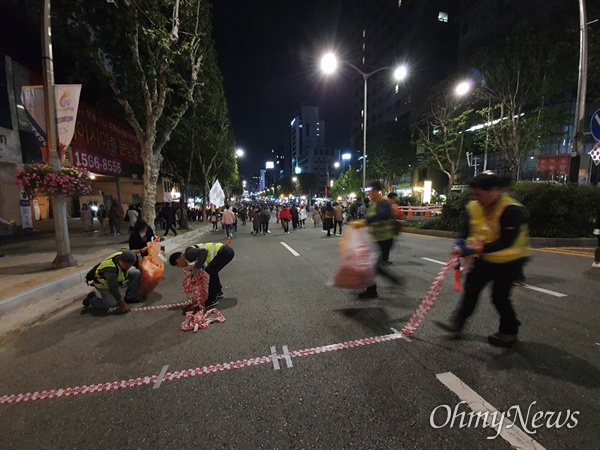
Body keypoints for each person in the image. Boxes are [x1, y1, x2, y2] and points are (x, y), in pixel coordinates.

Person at [435, 171, 531, 348]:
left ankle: (509, 332)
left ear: (494, 190)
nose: (476, 198)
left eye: (479, 194)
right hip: (484, 259)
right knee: (471, 291)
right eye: (474, 194)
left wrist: (477, 248)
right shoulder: (473, 206)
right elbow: (466, 229)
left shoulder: (511, 209)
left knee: (499, 298)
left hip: (508, 262)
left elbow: (506, 241)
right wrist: (460, 242)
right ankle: (457, 323)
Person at [350, 180, 398, 299]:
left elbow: (383, 214)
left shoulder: (384, 202)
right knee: (370, 265)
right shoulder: (373, 203)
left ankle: (388, 282)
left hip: (385, 238)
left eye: (372, 190)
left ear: (378, 191)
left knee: (371, 265)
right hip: (375, 238)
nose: (370, 193)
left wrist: (366, 221)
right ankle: (372, 289)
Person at [169, 242, 235, 309]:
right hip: (225, 252)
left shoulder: (188, 253)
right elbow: (202, 261)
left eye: (177, 264)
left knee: (209, 273)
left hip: (224, 253)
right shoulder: (190, 258)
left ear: (178, 259)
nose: (179, 266)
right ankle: (218, 292)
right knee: (212, 271)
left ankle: (212, 300)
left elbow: (204, 251)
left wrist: (197, 268)